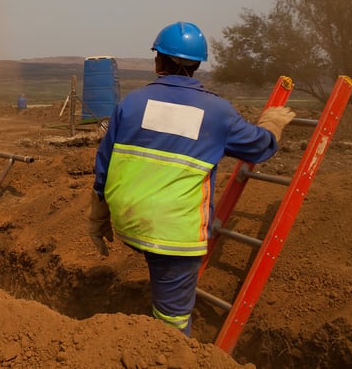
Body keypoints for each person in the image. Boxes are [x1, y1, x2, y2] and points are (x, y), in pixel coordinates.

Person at [88, 21, 295, 337]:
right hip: (175, 234)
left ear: (158, 61)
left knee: (159, 264)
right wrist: (272, 125)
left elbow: (104, 162)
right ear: (197, 65)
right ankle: (169, 348)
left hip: (130, 222)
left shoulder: (131, 103)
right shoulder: (216, 112)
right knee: (172, 324)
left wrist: (97, 215)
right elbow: (259, 148)